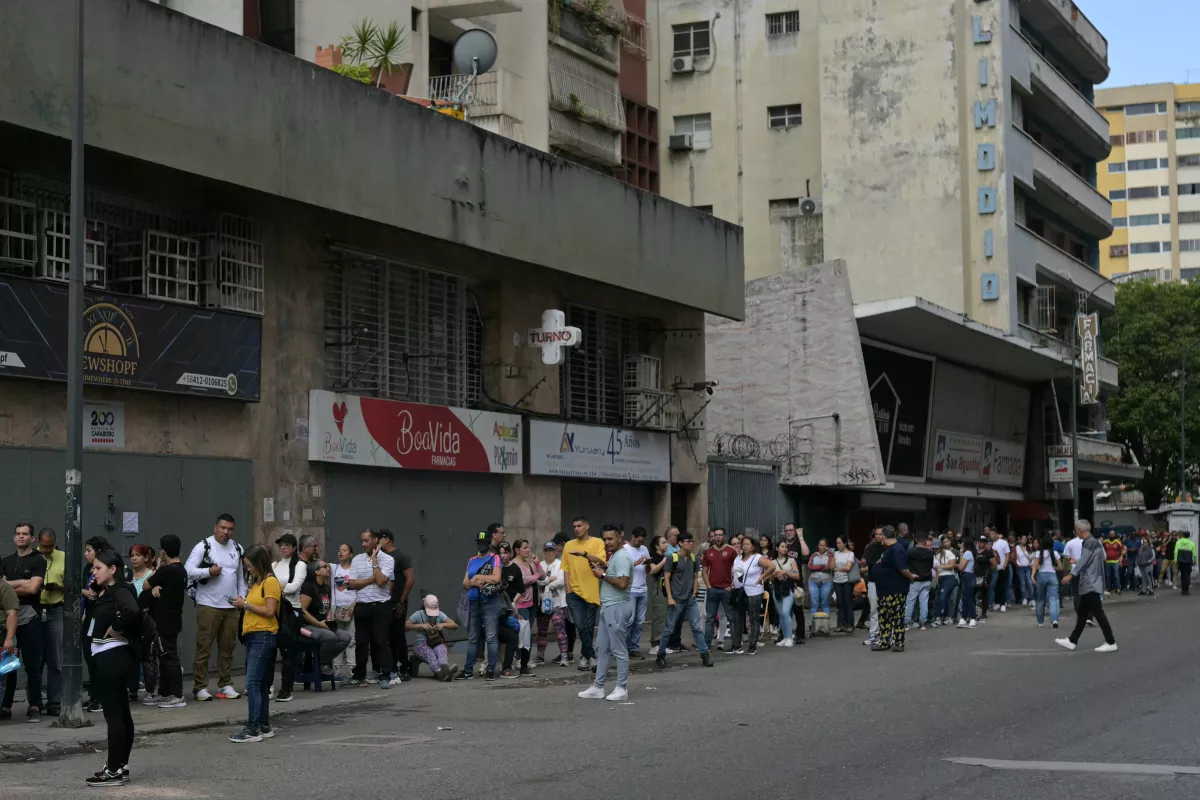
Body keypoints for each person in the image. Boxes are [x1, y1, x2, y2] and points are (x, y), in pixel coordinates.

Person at [83, 550, 140, 786]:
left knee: (114, 716)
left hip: (112, 657)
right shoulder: (107, 592)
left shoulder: (120, 590)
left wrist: (117, 628)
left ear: (112, 569)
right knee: (122, 715)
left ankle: (114, 770)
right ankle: (120, 767)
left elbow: (132, 612)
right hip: (109, 657)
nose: (93, 571)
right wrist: (96, 595)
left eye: (98, 568)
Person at [184, 513, 246, 702]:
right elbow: (187, 570)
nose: (226, 532)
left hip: (231, 606)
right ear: (215, 528)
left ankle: (225, 684)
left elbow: (240, 577)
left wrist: (241, 596)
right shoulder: (204, 546)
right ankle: (200, 687)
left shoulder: (237, 548)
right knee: (204, 647)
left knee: (227, 647)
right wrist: (208, 572)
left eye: (230, 529)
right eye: (223, 528)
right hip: (208, 604)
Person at [230, 544, 281, 742]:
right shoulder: (258, 582)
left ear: (260, 562)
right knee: (258, 683)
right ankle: (263, 725)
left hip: (263, 635)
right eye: (246, 566)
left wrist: (247, 605)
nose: (248, 569)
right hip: (254, 635)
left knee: (252, 683)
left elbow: (270, 611)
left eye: (250, 565)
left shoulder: (270, 582)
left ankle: (252, 729)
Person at [578, 526, 635, 702]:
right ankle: (598, 686)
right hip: (608, 607)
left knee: (618, 649)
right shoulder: (615, 556)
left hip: (617, 607)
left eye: (610, 539)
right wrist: (599, 569)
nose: (607, 542)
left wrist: (602, 575)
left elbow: (623, 583)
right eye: (605, 539)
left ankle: (621, 687)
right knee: (602, 648)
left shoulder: (623, 557)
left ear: (619, 537)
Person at [2, 522, 46, 722]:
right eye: (18, 533)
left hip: (30, 617)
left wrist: (8, 588)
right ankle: (6, 705)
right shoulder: (6, 561)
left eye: (25, 534)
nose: (21, 537)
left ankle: (34, 705)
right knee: (7, 664)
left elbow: (33, 589)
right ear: (14, 537)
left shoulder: (38, 560)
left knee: (32, 664)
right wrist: (22, 583)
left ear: (32, 538)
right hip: (7, 619)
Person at [1057, 521, 1118, 653]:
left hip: (1091, 582)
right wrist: (1077, 562)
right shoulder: (1094, 542)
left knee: (1098, 613)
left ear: (1079, 530)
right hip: (1092, 582)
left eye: (1075, 530)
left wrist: (1070, 575)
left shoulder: (1089, 543)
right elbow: (1089, 560)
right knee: (1083, 613)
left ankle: (1110, 641)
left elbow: (1084, 562)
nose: (1074, 532)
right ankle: (1073, 640)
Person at [346, 529, 396, 688]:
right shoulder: (357, 560)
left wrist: (375, 562)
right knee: (361, 642)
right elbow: (352, 584)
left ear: (376, 541)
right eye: (362, 541)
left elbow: (381, 581)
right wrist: (371, 579)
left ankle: (386, 674)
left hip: (380, 606)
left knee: (381, 641)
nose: (363, 544)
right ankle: (358, 675)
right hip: (362, 606)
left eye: (366, 541)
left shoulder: (388, 559)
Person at [656, 532, 713, 668]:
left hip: (689, 599)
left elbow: (694, 577)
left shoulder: (693, 558)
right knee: (669, 629)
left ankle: (705, 655)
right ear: (681, 543)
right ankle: (660, 655)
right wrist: (670, 597)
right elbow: (667, 578)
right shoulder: (672, 558)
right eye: (688, 541)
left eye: (692, 541)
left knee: (696, 628)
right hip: (676, 600)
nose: (691, 544)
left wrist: (694, 592)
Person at [145, 534, 187, 709]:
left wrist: (157, 572)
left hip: (164, 621)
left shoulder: (166, 571)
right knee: (166, 656)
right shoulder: (181, 570)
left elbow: (146, 585)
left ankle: (177, 695)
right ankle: (165, 692)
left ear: (163, 551)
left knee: (169, 657)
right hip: (174, 619)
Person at [562, 516, 606, 671]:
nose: (576, 529)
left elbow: (602, 562)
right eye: (574, 526)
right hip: (574, 593)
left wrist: (584, 554)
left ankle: (584, 656)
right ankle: (592, 656)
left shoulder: (597, 542)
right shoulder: (568, 545)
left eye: (579, 525)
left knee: (588, 627)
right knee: (580, 626)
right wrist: (568, 589)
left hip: (592, 592)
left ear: (587, 526)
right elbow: (566, 569)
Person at [458, 532, 502, 681]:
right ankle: (468, 671)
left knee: (491, 637)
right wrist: (474, 582)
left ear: (489, 543)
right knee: (472, 638)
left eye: (484, 542)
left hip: (489, 601)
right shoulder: (471, 560)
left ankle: (490, 670)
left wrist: (477, 577)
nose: (481, 545)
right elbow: (465, 583)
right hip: (473, 601)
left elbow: (496, 578)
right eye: (479, 542)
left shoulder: (495, 558)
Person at [270, 533, 307, 702]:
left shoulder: (300, 565)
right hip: (276, 611)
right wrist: (280, 587)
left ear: (294, 548)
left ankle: (286, 689)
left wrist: (276, 588)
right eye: (280, 545)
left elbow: (294, 586)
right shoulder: (275, 565)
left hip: (292, 612)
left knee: (287, 652)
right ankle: (269, 687)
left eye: (286, 545)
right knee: (270, 651)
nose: (283, 548)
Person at [298, 559, 352, 675]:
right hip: (306, 627)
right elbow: (302, 611)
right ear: (316, 572)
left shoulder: (326, 588)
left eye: (327, 566)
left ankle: (323, 660)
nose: (328, 568)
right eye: (324, 567)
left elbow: (327, 608)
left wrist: (328, 621)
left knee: (346, 637)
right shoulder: (309, 587)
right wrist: (319, 624)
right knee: (331, 637)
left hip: (323, 625)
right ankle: (322, 664)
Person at [871, 526, 919, 652]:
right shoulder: (888, 549)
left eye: (881, 535)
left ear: (885, 536)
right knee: (884, 616)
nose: (879, 538)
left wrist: (911, 577)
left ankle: (898, 642)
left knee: (896, 616)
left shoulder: (897, 549)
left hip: (895, 589)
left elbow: (903, 569)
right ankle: (884, 641)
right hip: (884, 589)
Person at [81, 536, 113, 713]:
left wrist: (75, 590)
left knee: (98, 656)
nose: (86, 554)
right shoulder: (88, 569)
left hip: (100, 617)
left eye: (89, 550)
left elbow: (99, 593)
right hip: (90, 615)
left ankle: (101, 697)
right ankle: (94, 695)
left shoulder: (106, 570)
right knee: (89, 654)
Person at [379, 530, 415, 682]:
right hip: (383, 602)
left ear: (387, 539)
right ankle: (390, 666)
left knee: (398, 634)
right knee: (386, 636)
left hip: (398, 601)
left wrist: (402, 600)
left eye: (379, 539)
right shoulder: (380, 557)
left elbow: (410, 579)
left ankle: (404, 666)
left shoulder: (400, 556)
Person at [729, 536, 775, 656]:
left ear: (753, 546)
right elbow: (734, 572)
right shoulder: (738, 557)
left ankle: (752, 645)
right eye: (743, 544)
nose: (745, 546)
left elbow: (772, 567)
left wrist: (762, 578)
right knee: (737, 618)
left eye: (748, 544)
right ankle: (736, 645)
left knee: (754, 618)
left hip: (753, 591)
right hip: (739, 590)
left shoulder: (757, 558)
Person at [37, 527, 65, 717]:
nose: (47, 550)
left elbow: (73, 583)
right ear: (38, 542)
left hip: (55, 609)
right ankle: (35, 701)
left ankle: (54, 701)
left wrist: (59, 586)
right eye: (44, 546)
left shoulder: (63, 557)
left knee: (55, 659)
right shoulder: (32, 557)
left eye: (50, 546)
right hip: (35, 611)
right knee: (35, 659)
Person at [406, 595, 459, 681]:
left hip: (435, 642)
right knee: (430, 654)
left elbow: (455, 625)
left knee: (441, 649)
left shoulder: (439, 614)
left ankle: (444, 668)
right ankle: (441, 673)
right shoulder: (418, 614)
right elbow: (405, 627)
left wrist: (443, 625)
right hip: (421, 644)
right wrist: (421, 625)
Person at [701, 527, 737, 651]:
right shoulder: (708, 552)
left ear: (725, 536)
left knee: (731, 618)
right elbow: (704, 571)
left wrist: (732, 585)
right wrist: (708, 586)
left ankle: (735, 644)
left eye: (720, 535)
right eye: (716, 535)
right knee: (709, 618)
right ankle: (706, 645)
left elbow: (738, 569)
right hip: (712, 590)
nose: (717, 537)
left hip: (727, 590)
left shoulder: (731, 551)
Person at [536, 541, 569, 666]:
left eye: (551, 550)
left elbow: (561, 580)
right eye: (547, 550)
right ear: (544, 552)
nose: (549, 552)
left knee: (560, 631)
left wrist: (546, 582)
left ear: (555, 551)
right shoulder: (540, 565)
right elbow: (538, 581)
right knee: (541, 630)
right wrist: (550, 579)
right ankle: (540, 656)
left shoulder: (560, 564)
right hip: (543, 603)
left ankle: (564, 656)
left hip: (557, 603)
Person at [623, 527, 651, 659]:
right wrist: (636, 563)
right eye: (639, 541)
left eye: (642, 541)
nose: (640, 543)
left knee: (640, 622)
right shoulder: (624, 549)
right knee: (629, 620)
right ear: (633, 537)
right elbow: (621, 568)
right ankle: (623, 647)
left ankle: (634, 647)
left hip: (643, 589)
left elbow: (648, 569)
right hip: (631, 590)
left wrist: (648, 563)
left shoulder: (644, 549)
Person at [330, 543, 357, 680]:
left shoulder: (354, 570)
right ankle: (337, 669)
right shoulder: (334, 569)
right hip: (336, 607)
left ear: (350, 554)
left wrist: (354, 605)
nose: (341, 552)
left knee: (351, 639)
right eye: (339, 550)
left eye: (344, 550)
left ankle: (352, 668)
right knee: (337, 638)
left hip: (351, 606)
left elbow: (358, 588)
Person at [769, 539, 800, 646]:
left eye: (786, 547)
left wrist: (786, 572)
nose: (784, 549)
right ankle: (785, 637)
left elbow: (797, 576)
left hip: (788, 588)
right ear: (777, 548)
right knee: (781, 614)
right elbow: (771, 580)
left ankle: (789, 637)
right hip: (777, 589)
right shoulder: (772, 562)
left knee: (786, 612)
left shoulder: (791, 561)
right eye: (782, 547)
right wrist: (774, 575)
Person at [861, 528, 887, 645]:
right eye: (876, 534)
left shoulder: (888, 548)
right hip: (873, 581)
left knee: (886, 609)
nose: (877, 536)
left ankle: (886, 634)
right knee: (874, 609)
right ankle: (873, 634)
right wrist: (863, 561)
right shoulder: (870, 548)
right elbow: (864, 561)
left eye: (880, 534)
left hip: (886, 582)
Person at [904, 534, 934, 631]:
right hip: (927, 579)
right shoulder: (929, 552)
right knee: (924, 601)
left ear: (916, 540)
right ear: (925, 542)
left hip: (915, 579)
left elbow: (906, 564)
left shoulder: (910, 551)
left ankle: (907, 623)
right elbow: (931, 565)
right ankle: (923, 623)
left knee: (910, 601)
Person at [0, 562, 18, 714]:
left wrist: (9, 638)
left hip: (1, 635)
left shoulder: (4, 588)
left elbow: (12, 614)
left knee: (0, 680)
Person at [1032, 534, 1061, 628]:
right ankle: (1054, 620)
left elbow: (1035, 565)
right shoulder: (1055, 553)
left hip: (1041, 575)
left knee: (1040, 599)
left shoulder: (1038, 553)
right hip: (1052, 575)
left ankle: (1040, 622)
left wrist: (1032, 576)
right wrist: (1053, 567)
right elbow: (1060, 567)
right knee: (1054, 599)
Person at [647, 535, 670, 651]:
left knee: (665, 616)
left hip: (667, 587)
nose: (666, 544)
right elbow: (652, 570)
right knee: (658, 615)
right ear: (657, 546)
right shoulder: (653, 556)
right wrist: (664, 561)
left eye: (666, 542)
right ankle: (655, 644)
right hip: (658, 587)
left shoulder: (666, 556)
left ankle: (663, 643)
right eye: (663, 542)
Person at [806, 539, 834, 633]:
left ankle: (825, 625)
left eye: (824, 545)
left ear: (826, 546)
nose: (822, 547)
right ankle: (812, 624)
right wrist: (821, 566)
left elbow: (829, 567)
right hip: (813, 580)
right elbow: (809, 566)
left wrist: (817, 567)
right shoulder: (813, 555)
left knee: (825, 602)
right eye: (820, 545)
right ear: (818, 546)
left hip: (826, 580)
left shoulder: (830, 556)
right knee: (814, 603)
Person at [933, 536, 959, 627]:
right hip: (938, 577)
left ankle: (941, 617)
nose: (935, 550)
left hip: (949, 577)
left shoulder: (948, 553)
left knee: (944, 597)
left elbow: (952, 565)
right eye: (934, 548)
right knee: (940, 598)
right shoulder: (934, 555)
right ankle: (943, 616)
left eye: (936, 548)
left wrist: (941, 567)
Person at [955, 537, 979, 629]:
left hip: (967, 576)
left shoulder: (967, 553)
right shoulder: (972, 553)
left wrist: (956, 562)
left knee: (967, 598)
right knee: (965, 597)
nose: (961, 545)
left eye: (962, 543)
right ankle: (964, 618)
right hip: (970, 576)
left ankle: (973, 617)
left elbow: (961, 567)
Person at [990, 528, 1010, 613]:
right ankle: (997, 602)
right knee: (995, 586)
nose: (991, 535)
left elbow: (1007, 555)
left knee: (1003, 586)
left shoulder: (1003, 542)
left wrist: (1005, 565)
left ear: (997, 534)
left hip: (1003, 567)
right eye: (990, 534)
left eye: (992, 533)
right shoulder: (990, 544)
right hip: (994, 569)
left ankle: (1003, 604)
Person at [1101, 530, 1123, 595]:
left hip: (1115, 562)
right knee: (1108, 576)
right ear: (1109, 535)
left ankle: (1118, 588)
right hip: (1107, 562)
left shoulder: (1118, 542)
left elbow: (1120, 550)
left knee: (1116, 576)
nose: (1111, 535)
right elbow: (1102, 550)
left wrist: (1118, 558)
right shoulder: (1105, 542)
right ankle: (1108, 588)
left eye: (1113, 534)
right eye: (1110, 534)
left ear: (1115, 535)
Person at [1014, 535, 1034, 607]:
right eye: (1023, 538)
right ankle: (1024, 598)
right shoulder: (1016, 548)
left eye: (1026, 539)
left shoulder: (1029, 547)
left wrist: (1030, 564)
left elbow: (1032, 558)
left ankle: (1032, 599)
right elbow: (1014, 557)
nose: (1024, 540)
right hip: (1020, 568)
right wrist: (1017, 564)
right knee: (1022, 584)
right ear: (1020, 539)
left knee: (1029, 583)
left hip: (1027, 567)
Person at [1136, 531, 1157, 597]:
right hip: (1141, 565)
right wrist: (1137, 563)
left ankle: (1151, 590)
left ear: (1148, 543)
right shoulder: (1140, 549)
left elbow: (1153, 556)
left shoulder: (1151, 549)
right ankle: (1143, 590)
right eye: (1143, 542)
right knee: (1143, 578)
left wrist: (1148, 561)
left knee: (1149, 578)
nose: (1144, 543)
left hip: (1148, 565)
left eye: (1146, 542)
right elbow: (1138, 556)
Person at [1176, 531, 1197, 595]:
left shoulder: (1178, 542)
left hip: (1180, 561)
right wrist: (1195, 561)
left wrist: (1175, 560)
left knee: (1182, 575)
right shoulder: (1191, 543)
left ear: (1183, 535)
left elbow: (1175, 552)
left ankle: (1183, 590)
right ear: (1189, 536)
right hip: (1188, 562)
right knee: (1187, 576)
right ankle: (1186, 590)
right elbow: (1195, 554)